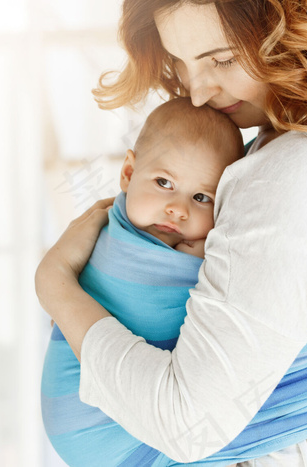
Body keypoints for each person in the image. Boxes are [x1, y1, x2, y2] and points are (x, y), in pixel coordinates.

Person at [35, 1, 307, 465]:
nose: (195, 92)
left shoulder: (294, 180)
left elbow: (186, 424)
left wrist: (55, 285)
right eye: (181, 61)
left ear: (289, 24)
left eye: (222, 59)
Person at [41, 97, 244, 466]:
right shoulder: (112, 234)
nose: (178, 209)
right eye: (164, 182)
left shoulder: (120, 228)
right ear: (129, 174)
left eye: (202, 197)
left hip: (108, 433)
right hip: (105, 428)